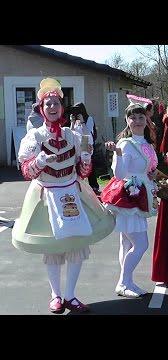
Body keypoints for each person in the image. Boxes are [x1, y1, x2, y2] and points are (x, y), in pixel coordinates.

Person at [11, 78, 115, 313]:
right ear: (41, 109)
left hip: (72, 192)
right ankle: (55, 295)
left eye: (56, 102)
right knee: (53, 247)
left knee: (76, 243)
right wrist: (39, 161)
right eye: (48, 104)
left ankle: (71, 295)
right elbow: (27, 171)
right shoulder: (34, 137)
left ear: (62, 106)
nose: (52, 107)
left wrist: (86, 161)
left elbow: (82, 172)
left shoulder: (72, 135)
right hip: (46, 195)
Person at [101, 103, 160, 298]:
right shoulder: (125, 144)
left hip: (141, 195)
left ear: (146, 120)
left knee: (126, 243)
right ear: (127, 121)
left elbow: (147, 169)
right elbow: (119, 174)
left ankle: (126, 282)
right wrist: (117, 154)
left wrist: (152, 176)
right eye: (132, 118)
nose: (137, 121)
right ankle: (124, 283)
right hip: (130, 198)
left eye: (140, 117)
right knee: (141, 244)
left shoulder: (147, 144)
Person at [69, 103, 101, 195]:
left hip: (85, 142)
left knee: (88, 166)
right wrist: (72, 122)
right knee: (76, 165)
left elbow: (88, 134)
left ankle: (94, 186)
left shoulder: (89, 119)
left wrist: (82, 122)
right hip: (77, 143)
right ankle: (78, 186)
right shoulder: (75, 120)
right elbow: (71, 133)